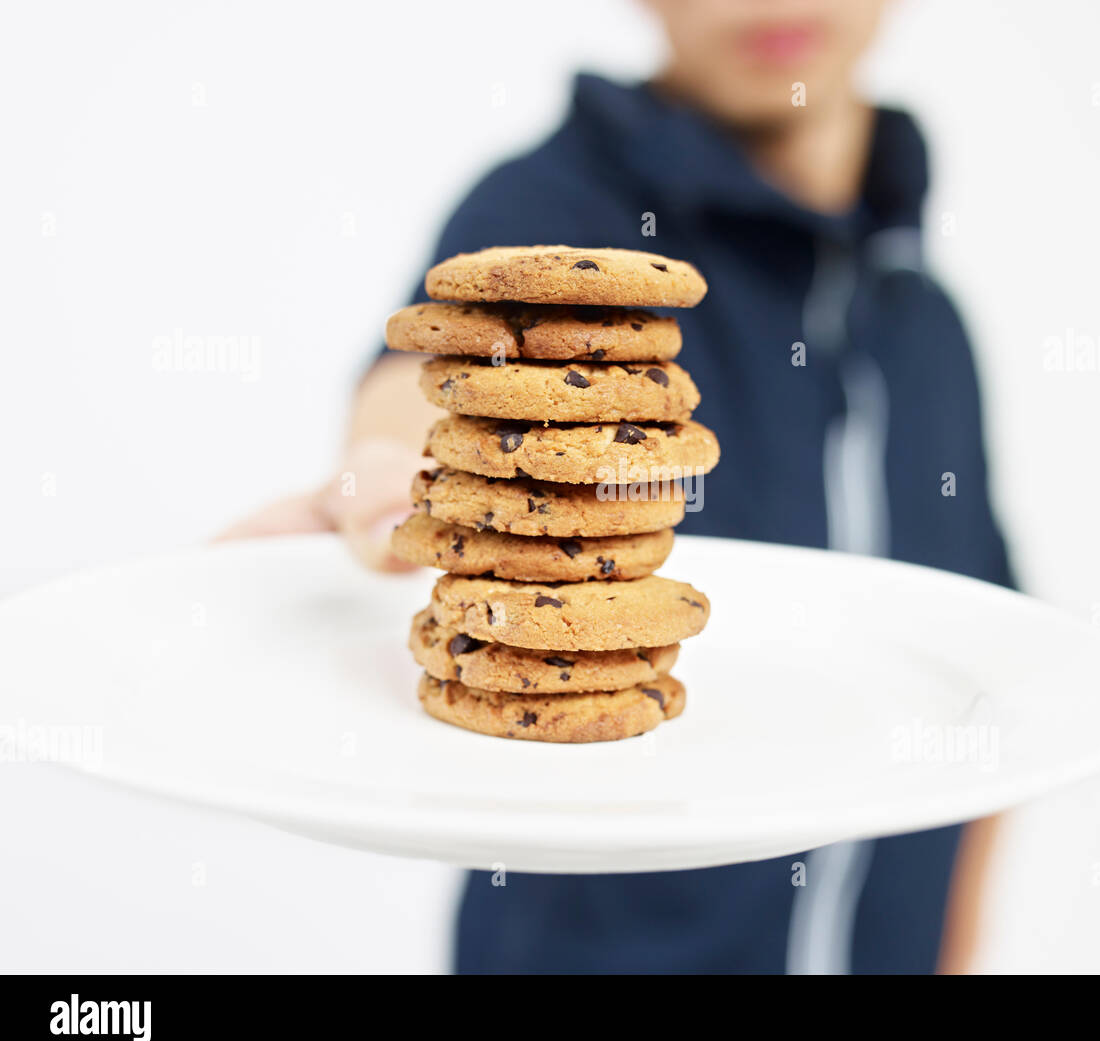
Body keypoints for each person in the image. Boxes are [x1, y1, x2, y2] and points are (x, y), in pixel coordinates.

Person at [226, 0, 1012, 974]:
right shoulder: (558, 210)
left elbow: (993, 676)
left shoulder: (927, 321)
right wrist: (392, 477)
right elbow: (427, 380)